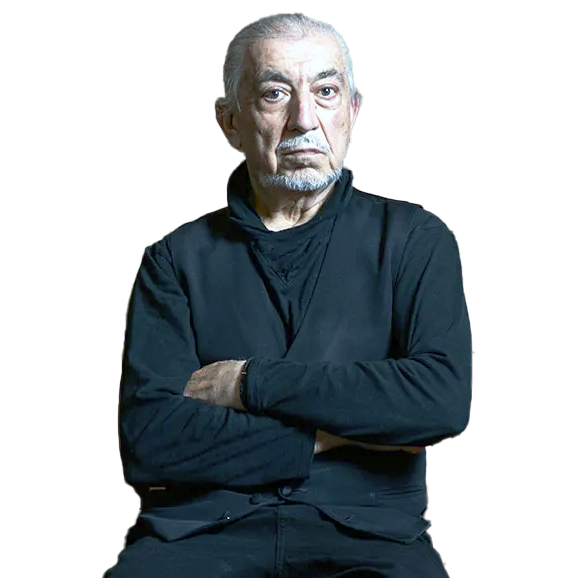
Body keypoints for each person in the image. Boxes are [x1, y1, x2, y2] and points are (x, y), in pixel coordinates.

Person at [105, 12, 473, 577]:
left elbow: (438, 402)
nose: (304, 119)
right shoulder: (173, 259)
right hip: (199, 536)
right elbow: (151, 442)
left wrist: (249, 383)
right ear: (230, 122)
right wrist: (337, 433)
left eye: (326, 92)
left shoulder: (416, 239)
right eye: (275, 94)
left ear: (353, 111)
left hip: (370, 538)